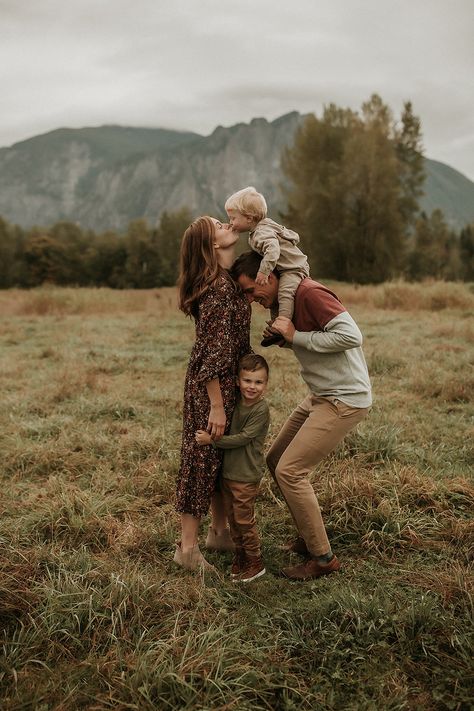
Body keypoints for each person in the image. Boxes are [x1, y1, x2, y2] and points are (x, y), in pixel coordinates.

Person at [231, 250, 372, 581]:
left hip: (344, 398)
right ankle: (311, 536)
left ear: (268, 276)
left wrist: (296, 336)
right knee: (275, 459)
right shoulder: (285, 303)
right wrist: (283, 339)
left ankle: (323, 558)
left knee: (291, 471)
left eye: (252, 291)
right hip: (320, 396)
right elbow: (310, 341)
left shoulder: (308, 292)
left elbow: (352, 336)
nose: (252, 300)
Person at [174, 216, 251, 572]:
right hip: (211, 389)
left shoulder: (227, 282)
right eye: (219, 225)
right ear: (213, 245)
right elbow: (211, 356)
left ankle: (219, 532)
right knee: (201, 460)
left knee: (220, 458)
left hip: (226, 383)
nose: (227, 224)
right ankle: (186, 549)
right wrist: (217, 406)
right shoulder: (218, 289)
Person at [195, 353, 270, 582]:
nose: (252, 387)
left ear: (266, 384)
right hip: (228, 474)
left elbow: (243, 438)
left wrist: (212, 440)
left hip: (246, 475)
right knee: (233, 518)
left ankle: (255, 561)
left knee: (244, 520)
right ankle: (240, 554)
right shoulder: (234, 402)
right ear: (238, 381)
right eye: (247, 380)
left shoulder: (260, 410)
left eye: (258, 382)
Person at [225, 186, 310, 345]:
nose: (231, 223)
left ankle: (282, 324)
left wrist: (264, 271)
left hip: (293, 268)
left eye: (233, 218)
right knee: (273, 299)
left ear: (249, 218)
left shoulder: (261, 233)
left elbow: (273, 250)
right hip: (284, 269)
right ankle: (276, 329)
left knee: (284, 293)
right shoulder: (260, 229)